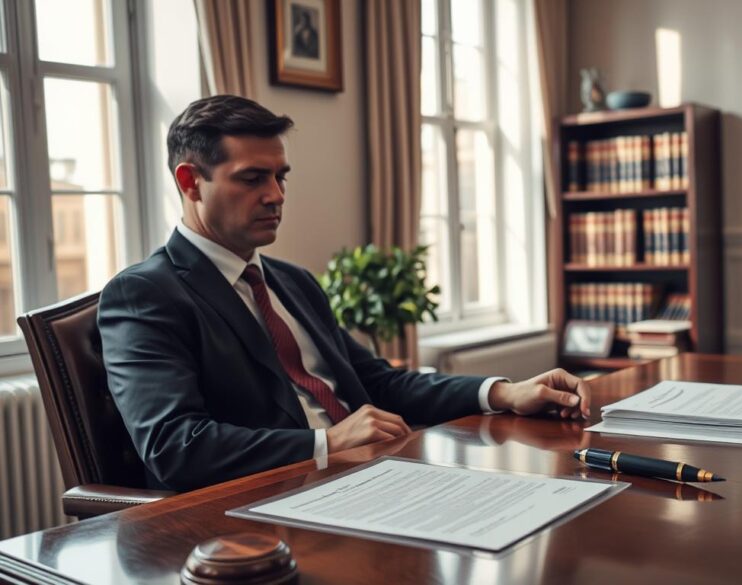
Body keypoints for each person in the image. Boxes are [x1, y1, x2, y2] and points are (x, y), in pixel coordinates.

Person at [98, 95, 591, 492]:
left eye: (280, 176)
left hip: (372, 477)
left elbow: (378, 382)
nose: (276, 195)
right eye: (252, 178)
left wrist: (504, 391)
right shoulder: (145, 294)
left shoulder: (292, 282)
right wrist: (326, 443)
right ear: (190, 182)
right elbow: (174, 446)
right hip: (262, 509)